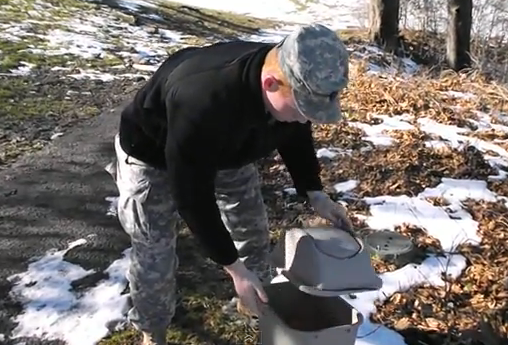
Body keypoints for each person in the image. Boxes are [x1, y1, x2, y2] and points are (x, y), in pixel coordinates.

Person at [105, 23, 353, 345]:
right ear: (270, 84)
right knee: (156, 254)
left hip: (228, 150)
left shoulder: (285, 78)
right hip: (153, 157)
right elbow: (192, 196)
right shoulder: (202, 98)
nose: (306, 119)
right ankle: (153, 332)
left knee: (253, 231)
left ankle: (256, 306)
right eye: (303, 109)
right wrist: (233, 268)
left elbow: (296, 132)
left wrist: (314, 192)